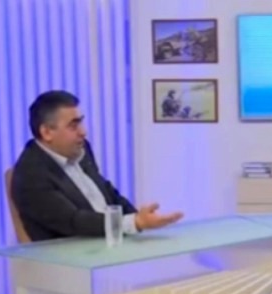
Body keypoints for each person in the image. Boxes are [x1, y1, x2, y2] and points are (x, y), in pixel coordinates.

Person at [11, 90, 183, 241]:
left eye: (81, 122)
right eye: (73, 125)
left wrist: (140, 218)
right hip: (68, 260)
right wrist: (134, 223)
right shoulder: (30, 174)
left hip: (108, 244)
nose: (83, 132)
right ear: (47, 132)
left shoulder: (80, 149)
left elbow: (107, 191)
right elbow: (73, 221)